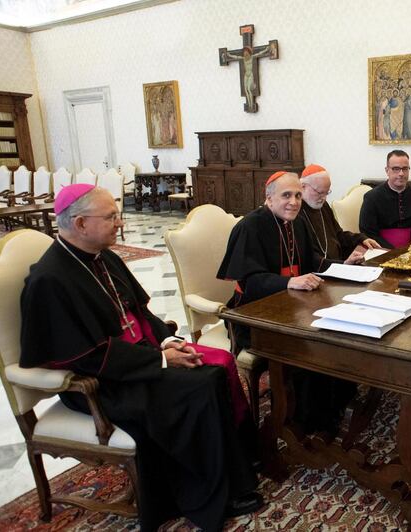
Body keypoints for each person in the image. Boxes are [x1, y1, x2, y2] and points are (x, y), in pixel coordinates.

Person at [19, 184, 263, 531]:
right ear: (80, 223)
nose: (120, 222)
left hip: (137, 362)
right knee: (198, 385)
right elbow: (86, 357)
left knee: (209, 372)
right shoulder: (50, 280)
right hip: (102, 384)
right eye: (111, 216)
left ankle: (231, 475)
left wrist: (167, 342)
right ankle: (204, 493)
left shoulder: (106, 257)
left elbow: (141, 314)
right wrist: (161, 362)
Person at [217, 171, 357, 432]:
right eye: (286, 195)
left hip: (295, 309)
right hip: (253, 317)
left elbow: (314, 263)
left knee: (336, 336)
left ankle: (333, 409)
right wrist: (289, 282)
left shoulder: (297, 224)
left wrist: (345, 266)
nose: (293, 202)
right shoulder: (251, 226)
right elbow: (248, 282)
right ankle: (302, 424)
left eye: (297, 196)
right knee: (311, 350)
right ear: (269, 198)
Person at [298, 164, 382, 263]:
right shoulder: (296, 213)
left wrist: (361, 239)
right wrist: (343, 264)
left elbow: (339, 235)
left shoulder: (323, 206)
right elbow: (309, 258)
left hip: (338, 265)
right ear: (303, 187)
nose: (324, 198)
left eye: (326, 193)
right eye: (320, 193)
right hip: (320, 272)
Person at [359, 150, 411, 248]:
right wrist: (393, 251)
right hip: (380, 250)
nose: (401, 173)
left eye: (405, 169)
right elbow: (368, 233)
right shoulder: (371, 197)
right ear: (387, 170)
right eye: (396, 169)